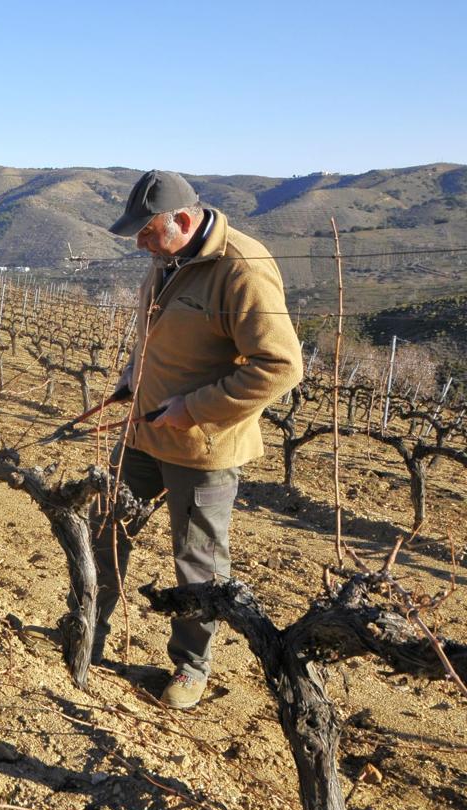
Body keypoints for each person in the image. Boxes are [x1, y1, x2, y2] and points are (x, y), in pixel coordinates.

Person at [94, 170, 303, 709]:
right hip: (143, 431)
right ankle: (88, 628)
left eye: (147, 232)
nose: (140, 244)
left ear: (183, 221)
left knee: (198, 563)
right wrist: (131, 377)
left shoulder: (242, 268)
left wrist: (194, 409)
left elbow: (279, 366)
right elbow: (157, 335)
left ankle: (191, 667)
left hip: (202, 448)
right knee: (108, 529)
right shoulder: (167, 259)